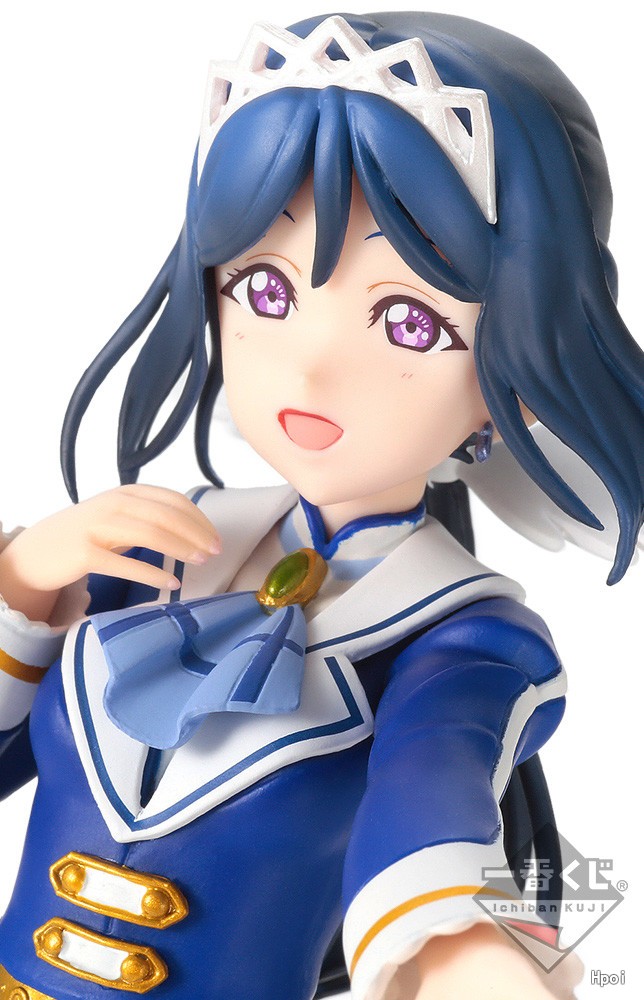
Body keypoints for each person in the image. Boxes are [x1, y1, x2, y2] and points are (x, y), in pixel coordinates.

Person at [0, 11, 641, 1000]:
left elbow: (429, 798)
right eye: (264, 290)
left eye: (408, 321)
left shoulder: (465, 641)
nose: (310, 366)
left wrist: (463, 954)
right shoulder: (151, 547)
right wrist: (21, 588)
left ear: (514, 373)